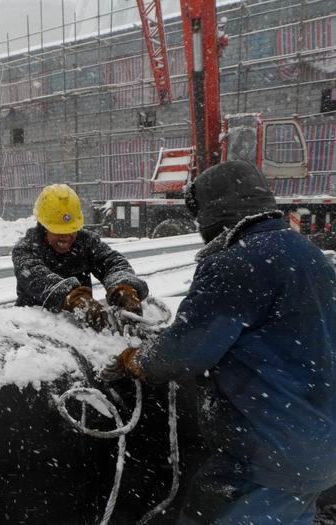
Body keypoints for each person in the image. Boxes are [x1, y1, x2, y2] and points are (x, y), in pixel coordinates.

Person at [102, 160, 336, 524]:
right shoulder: (306, 253)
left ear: (212, 215)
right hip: (315, 444)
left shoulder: (237, 262)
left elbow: (185, 351)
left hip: (270, 456)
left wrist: (139, 360)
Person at [12, 183, 148, 331]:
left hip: (79, 331)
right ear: (43, 226)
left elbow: (112, 261)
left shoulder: (86, 242)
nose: (66, 237)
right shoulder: (25, 250)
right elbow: (38, 278)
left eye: (71, 230)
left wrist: (123, 286)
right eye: (58, 231)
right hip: (35, 330)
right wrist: (74, 298)